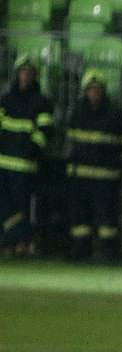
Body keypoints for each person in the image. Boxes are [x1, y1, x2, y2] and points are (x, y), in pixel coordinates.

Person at [66, 69, 122, 260]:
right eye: (91, 89)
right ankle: (80, 250)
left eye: (97, 89)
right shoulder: (77, 112)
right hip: (81, 176)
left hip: (106, 177)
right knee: (80, 218)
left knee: (108, 219)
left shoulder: (116, 115)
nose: (94, 93)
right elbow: (71, 144)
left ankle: (109, 251)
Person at [0, 54, 54, 256]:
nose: (25, 76)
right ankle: (12, 241)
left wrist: (30, 151)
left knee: (21, 207)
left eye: (29, 72)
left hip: (25, 166)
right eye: (23, 72)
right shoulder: (5, 100)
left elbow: (45, 132)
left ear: (35, 75)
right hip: (3, 162)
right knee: (5, 207)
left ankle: (18, 243)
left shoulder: (41, 102)